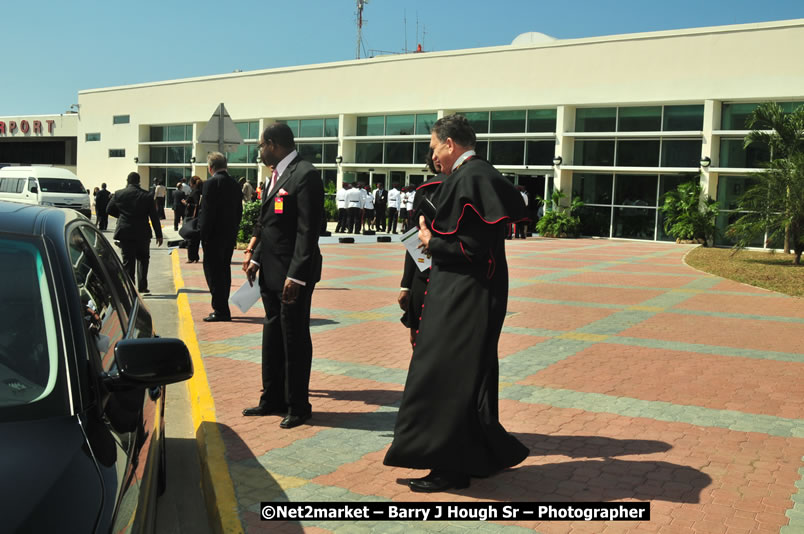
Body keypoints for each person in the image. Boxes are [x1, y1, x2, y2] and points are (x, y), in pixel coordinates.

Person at [384, 114, 529, 493]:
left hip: (467, 296)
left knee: (446, 378)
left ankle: (449, 469)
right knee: (463, 379)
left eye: (434, 148)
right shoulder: (471, 175)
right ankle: (478, 458)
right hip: (462, 292)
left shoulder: (474, 176)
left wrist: (432, 243)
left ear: (450, 144)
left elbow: (473, 249)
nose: (433, 157)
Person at [242, 122, 324, 429]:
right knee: (272, 337)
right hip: (271, 274)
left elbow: (307, 231)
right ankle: (272, 399)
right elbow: (269, 226)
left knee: (294, 339)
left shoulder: (305, 175)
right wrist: (257, 259)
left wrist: (297, 277)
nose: (260, 151)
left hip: (293, 277)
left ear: (273, 144)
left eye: (261, 146)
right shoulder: (275, 176)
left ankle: (298, 405)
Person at [398, 149, 439, 347]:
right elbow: (413, 239)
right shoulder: (427, 189)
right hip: (436, 274)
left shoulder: (427, 189)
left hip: (425, 274)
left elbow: (413, 243)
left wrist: (406, 285)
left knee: (419, 341)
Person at [199, 153, 243, 322]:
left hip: (213, 237)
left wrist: (203, 236)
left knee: (213, 273)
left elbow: (207, 213)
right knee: (224, 271)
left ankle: (221, 310)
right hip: (229, 235)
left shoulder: (210, 183)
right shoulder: (234, 184)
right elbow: (239, 211)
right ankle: (222, 306)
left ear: (211, 168)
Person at [106, 172, 163, 294]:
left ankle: (130, 289)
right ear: (139, 181)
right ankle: (143, 287)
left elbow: (109, 209)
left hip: (125, 231)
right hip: (142, 232)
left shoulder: (119, 194)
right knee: (143, 259)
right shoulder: (147, 195)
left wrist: (122, 216)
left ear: (127, 181)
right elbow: (154, 216)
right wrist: (159, 234)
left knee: (128, 262)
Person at [184, 176, 202, 263]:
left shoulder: (195, 192)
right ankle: (195, 256)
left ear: (192, 183)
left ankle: (191, 257)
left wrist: (187, 204)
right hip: (196, 217)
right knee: (196, 238)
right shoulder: (199, 192)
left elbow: (195, 205)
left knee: (190, 238)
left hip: (191, 217)